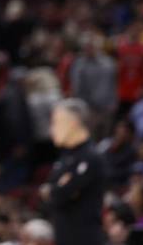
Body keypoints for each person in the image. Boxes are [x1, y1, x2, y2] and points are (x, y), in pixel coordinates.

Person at [40, 99, 106, 245]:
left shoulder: (91, 157)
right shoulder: (65, 157)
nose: (52, 129)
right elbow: (50, 192)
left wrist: (56, 191)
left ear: (73, 123)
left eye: (56, 122)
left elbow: (59, 194)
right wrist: (56, 191)